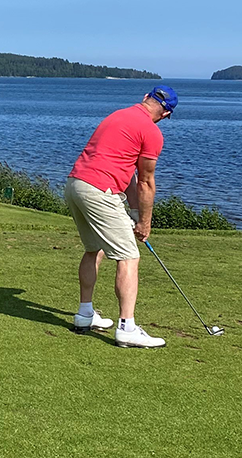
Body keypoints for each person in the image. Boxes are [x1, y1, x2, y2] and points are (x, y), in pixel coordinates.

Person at [63, 85, 177, 348]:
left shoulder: (117, 116)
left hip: (75, 184)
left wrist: (136, 213)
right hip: (98, 190)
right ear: (166, 114)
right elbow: (146, 182)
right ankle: (127, 327)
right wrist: (145, 223)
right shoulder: (151, 131)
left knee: (95, 249)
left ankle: (85, 314)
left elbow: (128, 174)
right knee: (128, 256)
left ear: (146, 98)